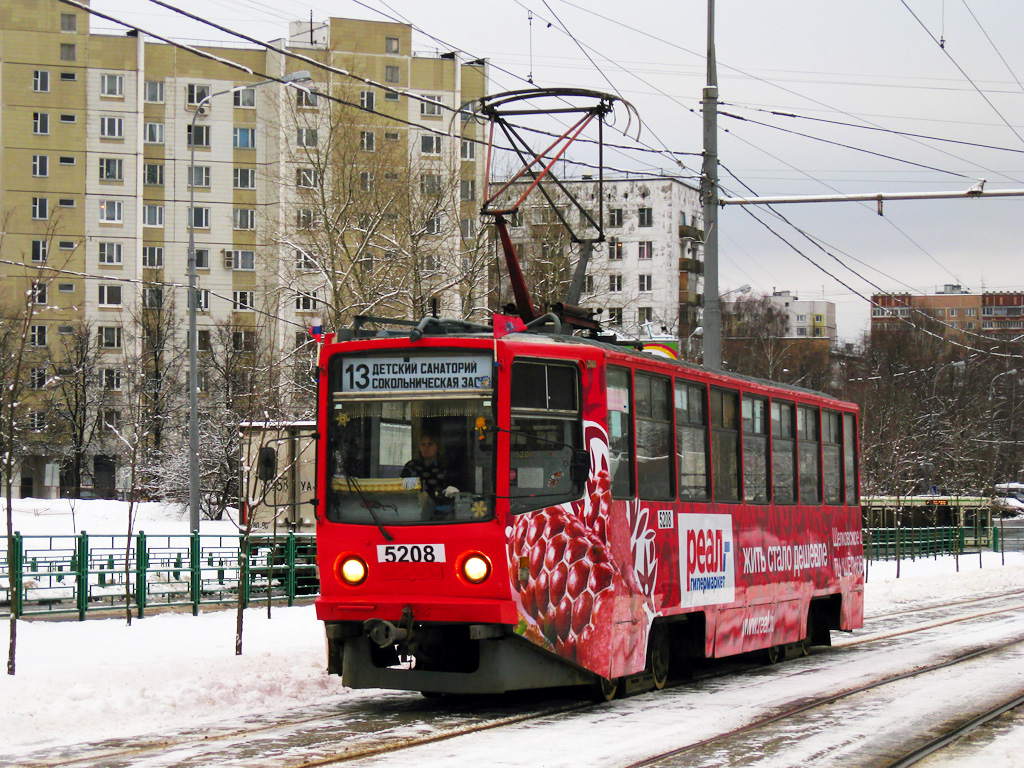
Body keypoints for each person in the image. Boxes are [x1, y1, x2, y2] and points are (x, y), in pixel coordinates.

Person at [401, 431, 459, 519]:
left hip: (443, 514)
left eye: (430, 444)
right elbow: (400, 490)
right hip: (414, 514)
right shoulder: (411, 466)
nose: (426, 447)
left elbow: (457, 491)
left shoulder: (446, 467)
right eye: (423, 444)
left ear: (438, 447)